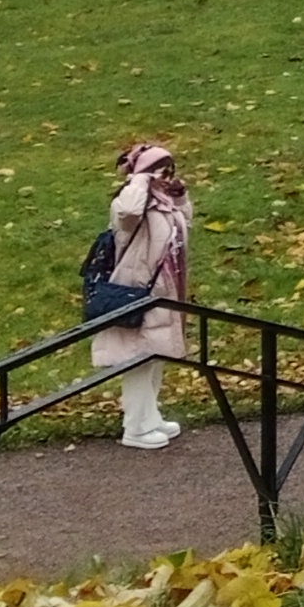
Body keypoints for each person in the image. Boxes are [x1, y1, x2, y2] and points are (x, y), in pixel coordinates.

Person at [91, 141, 191, 448]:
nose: (166, 173)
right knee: (137, 359)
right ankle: (135, 428)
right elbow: (128, 210)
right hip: (136, 290)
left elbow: (184, 223)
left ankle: (150, 417)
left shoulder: (162, 202)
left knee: (156, 355)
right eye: (159, 168)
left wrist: (180, 195)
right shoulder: (131, 202)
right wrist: (139, 179)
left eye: (169, 167)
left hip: (165, 289)